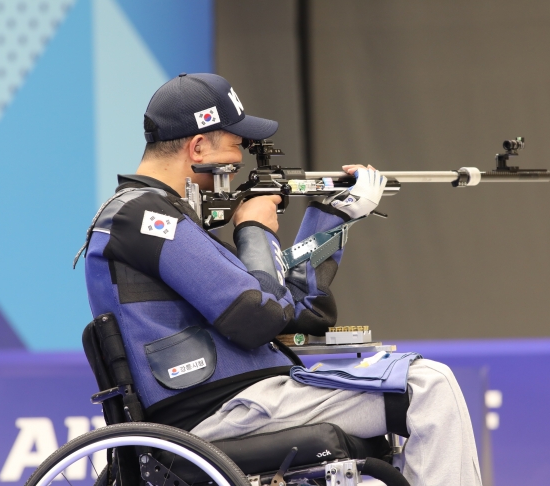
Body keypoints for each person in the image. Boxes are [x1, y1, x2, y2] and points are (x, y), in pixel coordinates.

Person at [81, 73, 482, 486]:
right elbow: (258, 317)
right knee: (429, 387)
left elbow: (298, 311)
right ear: (197, 145)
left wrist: (331, 217)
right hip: (219, 410)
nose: (239, 162)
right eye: (236, 144)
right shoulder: (146, 218)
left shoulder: (165, 219)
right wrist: (255, 231)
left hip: (246, 399)